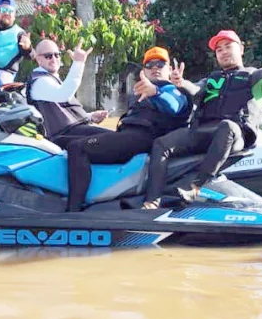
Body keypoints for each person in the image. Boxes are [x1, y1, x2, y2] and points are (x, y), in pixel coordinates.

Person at [142, 29, 262, 208]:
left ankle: (196, 187)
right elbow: (196, 89)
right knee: (161, 143)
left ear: (240, 49)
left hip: (235, 134)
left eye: (228, 46)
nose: (223, 51)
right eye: (219, 49)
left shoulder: (254, 77)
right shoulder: (212, 79)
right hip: (204, 132)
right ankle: (151, 200)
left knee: (227, 126)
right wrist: (181, 83)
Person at [65, 47, 191, 211]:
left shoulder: (173, 90)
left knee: (77, 148)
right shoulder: (139, 92)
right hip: (128, 135)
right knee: (64, 138)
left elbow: (174, 105)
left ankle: (73, 211)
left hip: (144, 138)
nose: (155, 68)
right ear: (144, 70)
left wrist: (156, 92)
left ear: (170, 69)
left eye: (160, 64)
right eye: (149, 64)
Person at [26, 40, 108, 145]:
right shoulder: (39, 81)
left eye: (57, 55)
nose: (54, 59)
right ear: (38, 59)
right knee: (115, 139)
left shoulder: (50, 79)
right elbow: (63, 95)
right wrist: (78, 63)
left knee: (118, 137)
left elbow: (64, 111)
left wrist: (90, 116)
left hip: (72, 132)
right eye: (48, 56)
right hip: (62, 137)